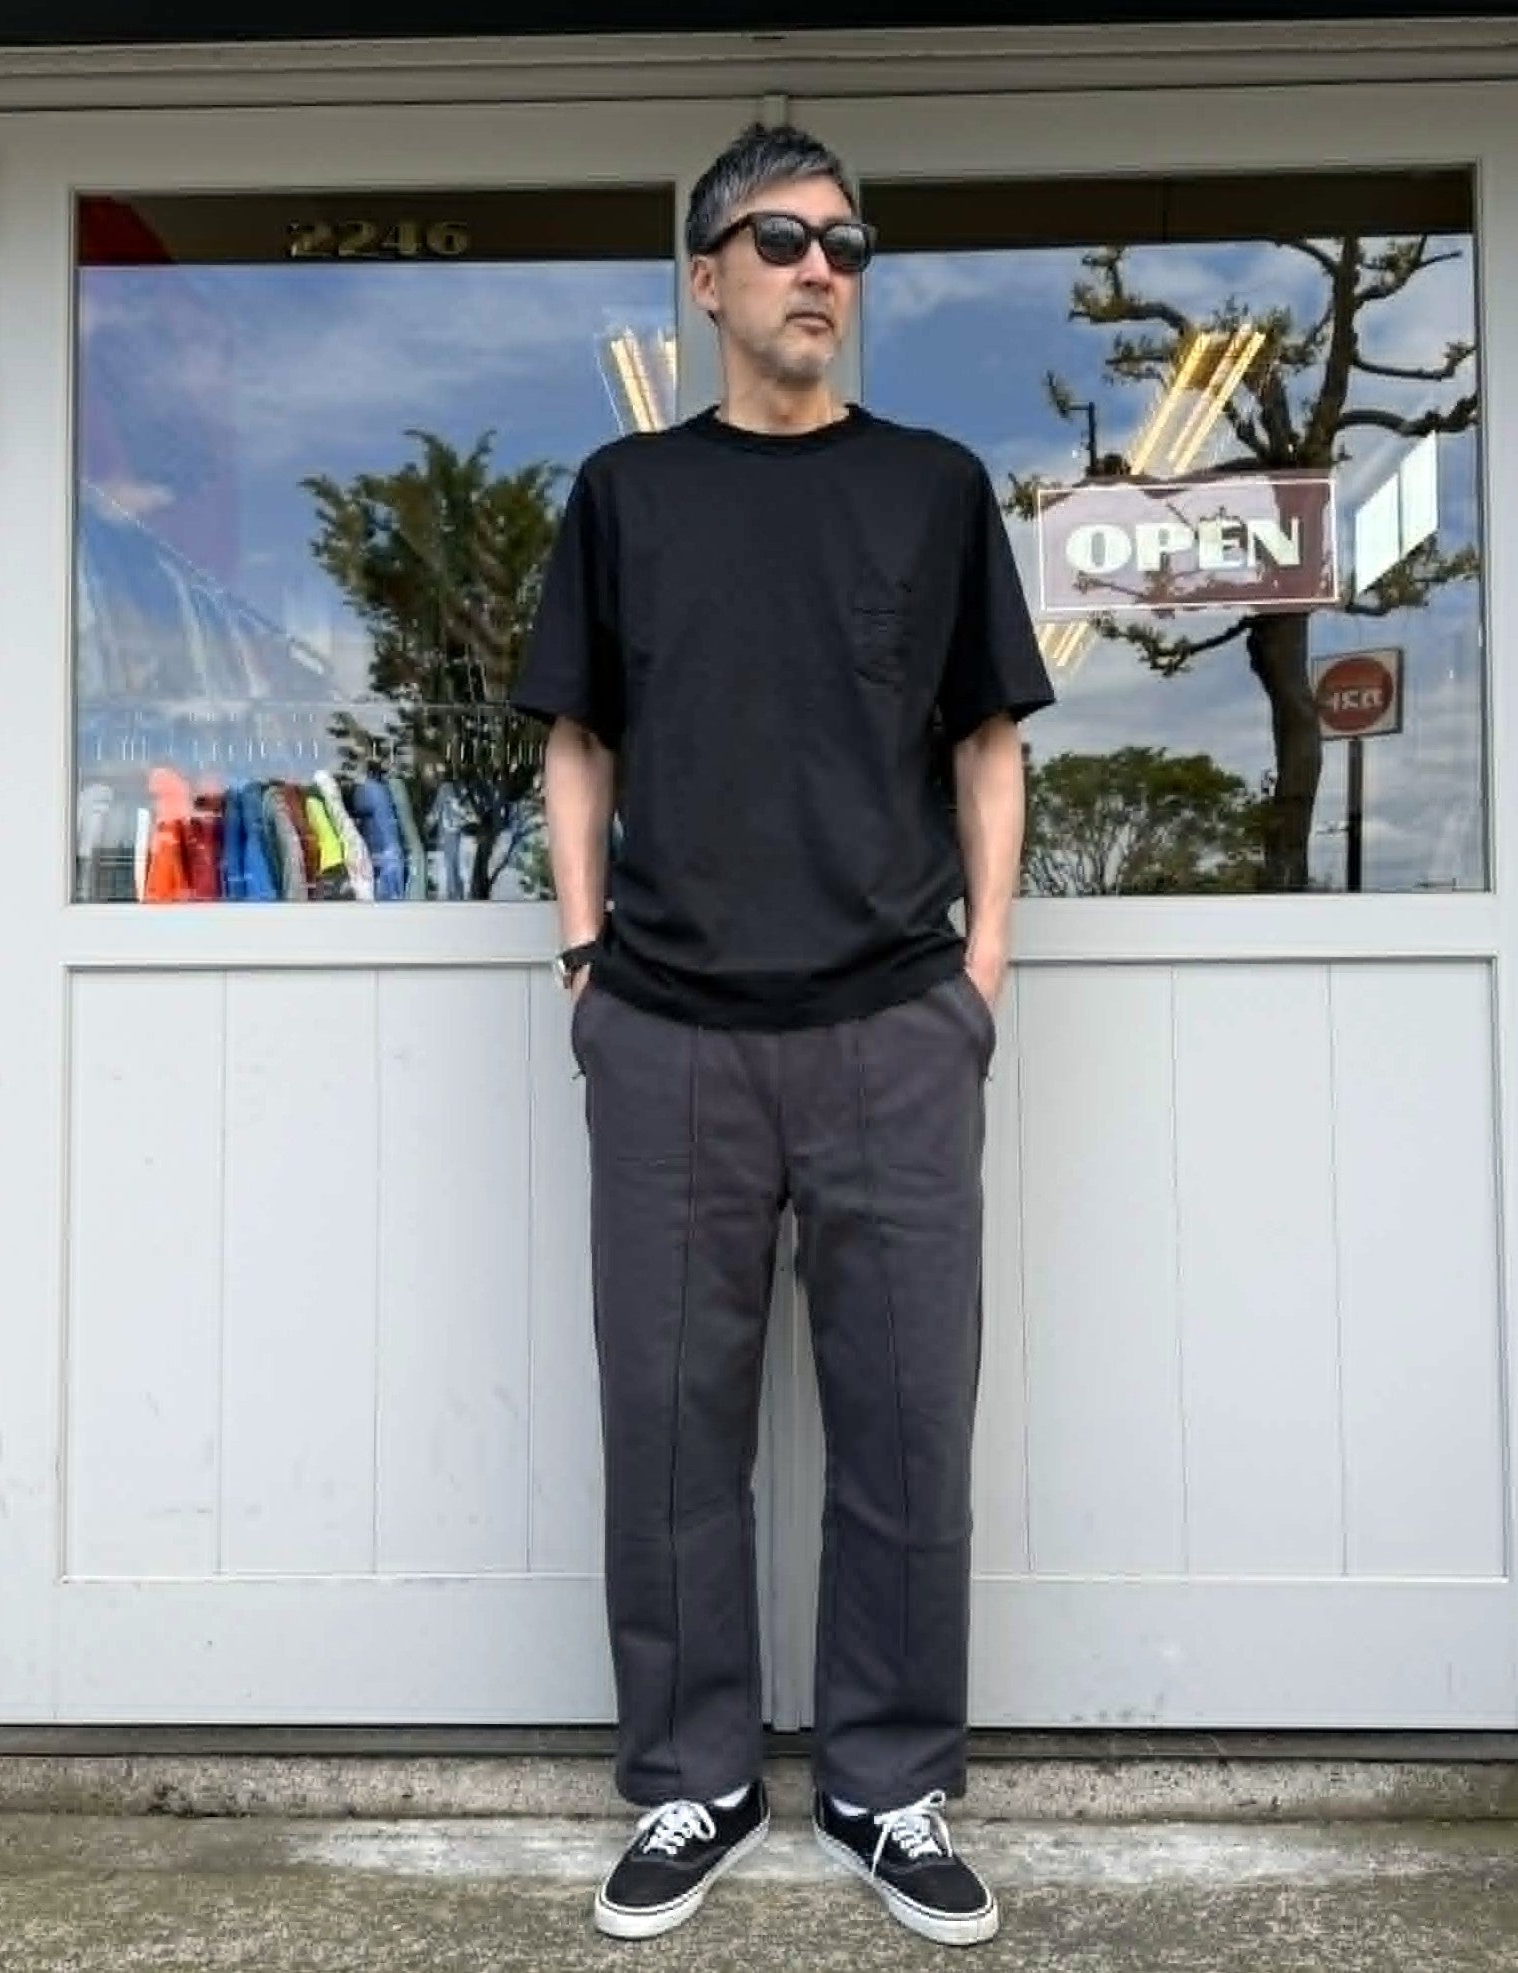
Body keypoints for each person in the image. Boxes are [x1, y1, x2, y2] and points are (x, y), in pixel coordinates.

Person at [509, 120, 1054, 1948]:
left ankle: (886, 1785)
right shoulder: (627, 493)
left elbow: (988, 742)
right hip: (667, 1028)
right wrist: (582, 960)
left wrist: (977, 977)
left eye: (845, 244)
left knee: (905, 1424)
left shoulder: (931, 487)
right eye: (783, 239)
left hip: (893, 1022)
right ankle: (697, 1775)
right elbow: (576, 739)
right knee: (670, 1427)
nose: (822, 268)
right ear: (705, 278)